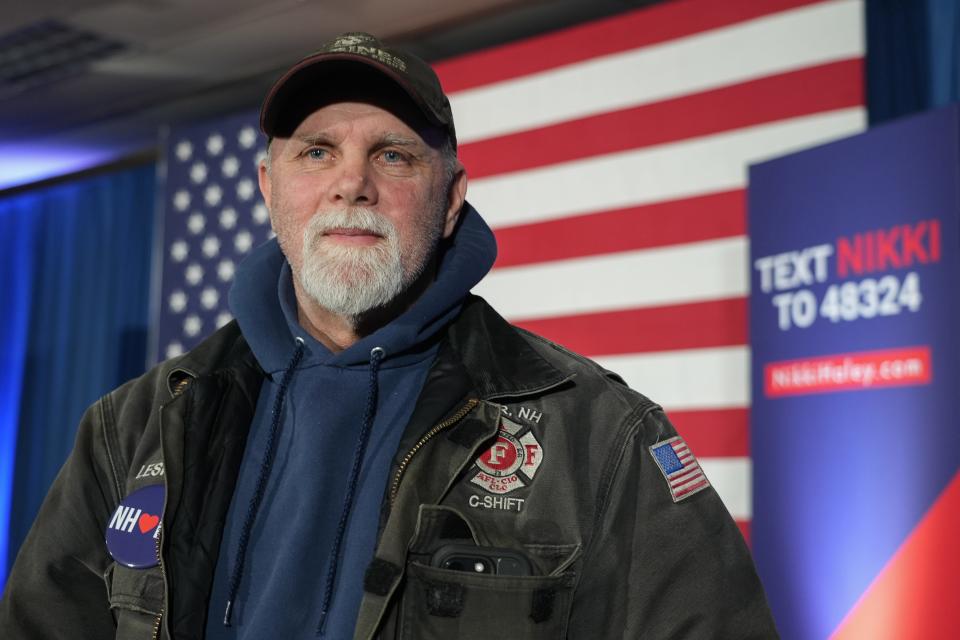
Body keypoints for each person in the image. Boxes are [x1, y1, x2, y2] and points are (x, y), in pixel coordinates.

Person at [0, 32, 778, 639]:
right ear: (271, 190)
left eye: (393, 155)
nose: (352, 182)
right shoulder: (136, 427)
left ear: (449, 201)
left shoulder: (598, 438)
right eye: (316, 152)